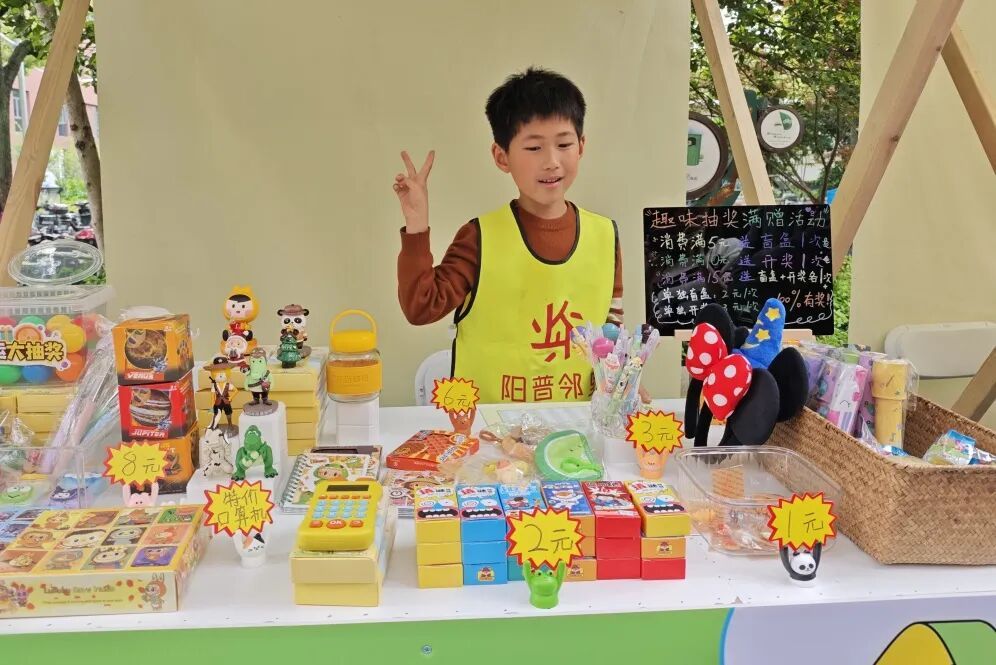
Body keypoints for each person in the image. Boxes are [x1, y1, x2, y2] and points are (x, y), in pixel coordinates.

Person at [395, 67, 625, 404]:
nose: (552, 161)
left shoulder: (604, 235)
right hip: (486, 427)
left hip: (573, 427)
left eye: (564, 144)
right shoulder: (479, 237)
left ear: (581, 146)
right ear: (501, 157)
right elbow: (421, 307)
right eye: (533, 148)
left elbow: (611, 328)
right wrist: (417, 222)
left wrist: (621, 382)